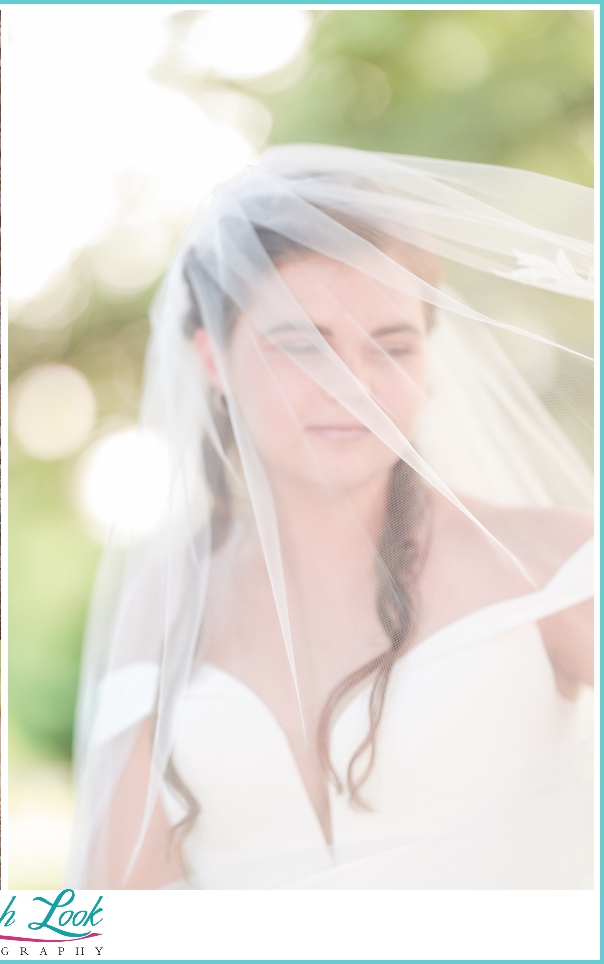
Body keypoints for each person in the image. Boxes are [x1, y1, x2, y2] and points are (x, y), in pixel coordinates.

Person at [68, 145, 595, 889]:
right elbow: (119, 902)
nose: (353, 385)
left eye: (392, 345)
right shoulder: (165, 597)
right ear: (213, 360)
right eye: (301, 344)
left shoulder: (556, 561)